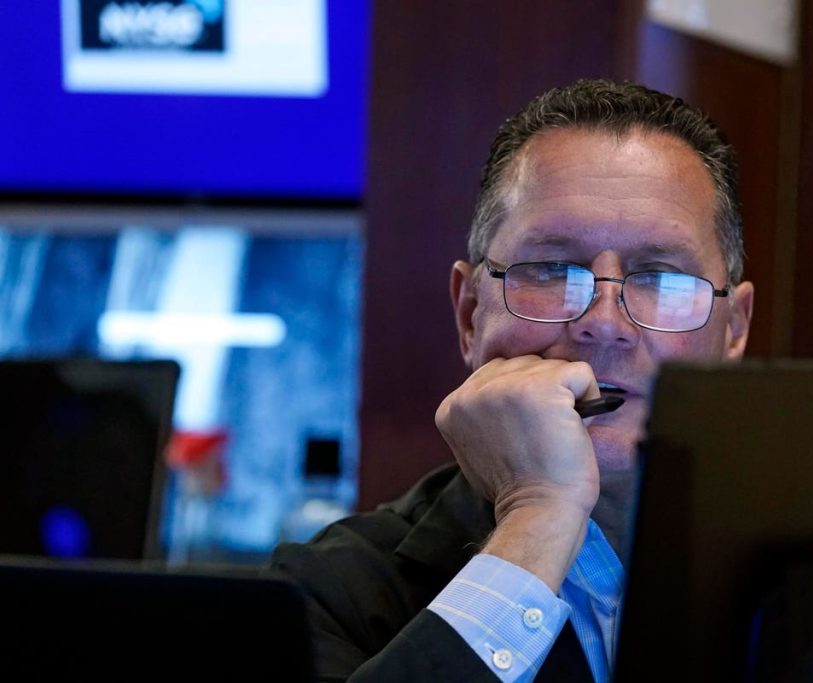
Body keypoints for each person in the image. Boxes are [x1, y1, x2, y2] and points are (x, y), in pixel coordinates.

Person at [270, 78, 755, 682]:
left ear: (734, 330)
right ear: (470, 313)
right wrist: (538, 517)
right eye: (551, 270)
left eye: (661, 277)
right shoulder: (324, 593)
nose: (604, 324)